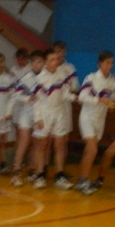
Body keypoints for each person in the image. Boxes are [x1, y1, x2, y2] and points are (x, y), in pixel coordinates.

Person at [74, 51, 115, 194]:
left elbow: (113, 99)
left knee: (89, 151)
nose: (110, 65)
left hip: (100, 120)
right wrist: (99, 100)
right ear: (100, 63)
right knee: (93, 149)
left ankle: (81, 181)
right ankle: (85, 181)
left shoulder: (113, 82)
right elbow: (82, 97)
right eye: (107, 63)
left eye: (112, 63)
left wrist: (112, 105)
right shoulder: (91, 78)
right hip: (87, 117)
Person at [31, 50, 75, 189]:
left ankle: (59, 176)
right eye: (52, 59)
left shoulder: (62, 75)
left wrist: (76, 98)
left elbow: (66, 94)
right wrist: (38, 117)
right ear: (46, 62)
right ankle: (40, 175)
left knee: (60, 145)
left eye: (56, 59)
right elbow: (36, 100)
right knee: (42, 146)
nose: (55, 62)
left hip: (59, 112)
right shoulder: (40, 78)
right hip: (44, 113)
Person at [9, 50, 44, 187]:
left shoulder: (46, 78)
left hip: (39, 115)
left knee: (37, 144)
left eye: (41, 62)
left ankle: (32, 171)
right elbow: (16, 96)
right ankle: (16, 173)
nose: (38, 65)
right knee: (24, 142)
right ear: (31, 63)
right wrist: (28, 98)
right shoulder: (26, 78)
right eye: (36, 62)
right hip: (26, 114)